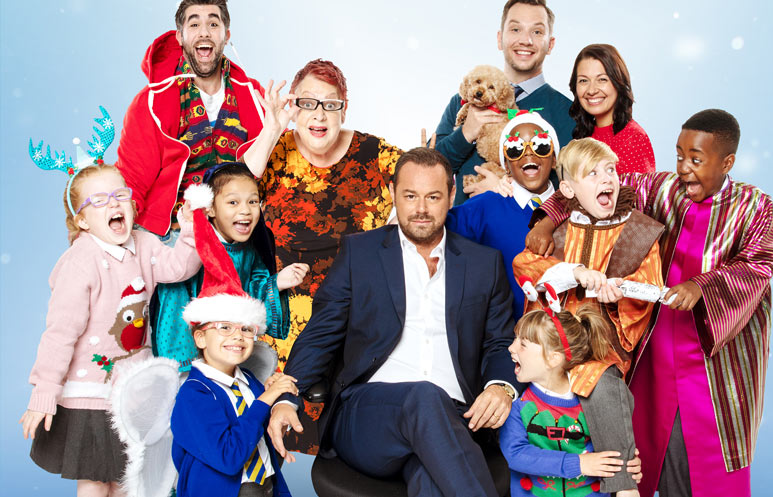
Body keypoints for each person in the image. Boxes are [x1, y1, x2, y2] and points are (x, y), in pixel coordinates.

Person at [526, 109, 773, 497]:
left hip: (717, 357)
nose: (684, 169)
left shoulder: (753, 206)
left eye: (696, 160)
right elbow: (591, 182)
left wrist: (701, 286)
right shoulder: (662, 190)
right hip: (656, 345)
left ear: (727, 162)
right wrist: (546, 219)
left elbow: (760, 263)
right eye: (679, 156)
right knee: (656, 450)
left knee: (707, 459)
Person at [267, 148, 519, 496]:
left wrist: (500, 387)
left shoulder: (483, 264)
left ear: (451, 194)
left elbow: (499, 343)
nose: (420, 209)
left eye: (433, 197)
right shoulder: (361, 253)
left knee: (430, 477)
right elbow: (320, 336)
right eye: (410, 196)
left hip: (457, 418)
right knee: (424, 397)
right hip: (368, 415)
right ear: (392, 194)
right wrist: (286, 398)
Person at [20, 161, 201, 496]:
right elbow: (60, 333)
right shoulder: (80, 261)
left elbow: (179, 268)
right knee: (94, 480)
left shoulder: (143, 244)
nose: (114, 204)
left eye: (120, 195)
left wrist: (188, 231)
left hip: (132, 391)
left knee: (126, 478)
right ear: (82, 221)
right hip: (90, 395)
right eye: (100, 200)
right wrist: (44, 390)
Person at [512, 137, 664, 495]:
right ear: (567, 189)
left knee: (605, 385)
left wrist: (620, 293)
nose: (605, 179)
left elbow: (650, 284)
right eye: (592, 173)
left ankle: (625, 489)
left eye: (610, 170)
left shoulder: (640, 232)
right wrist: (575, 272)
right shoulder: (555, 231)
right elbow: (525, 265)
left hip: (600, 345)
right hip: (552, 343)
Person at [242, 59, 401, 367]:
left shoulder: (374, 154)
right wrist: (272, 129)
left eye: (330, 104)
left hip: (356, 319)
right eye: (307, 102)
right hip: (281, 322)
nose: (318, 113)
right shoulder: (275, 150)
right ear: (293, 106)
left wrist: (392, 239)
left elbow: (427, 184)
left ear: (344, 109)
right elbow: (228, 197)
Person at [116, 0, 267, 238]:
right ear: (179, 36)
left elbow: (279, 162)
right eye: (194, 25)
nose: (204, 32)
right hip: (172, 235)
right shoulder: (151, 102)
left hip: (241, 233)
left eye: (213, 24)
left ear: (226, 35)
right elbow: (132, 178)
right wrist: (113, 230)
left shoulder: (255, 96)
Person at [171, 201, 294, 497]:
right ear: (200, 338)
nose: (237, 336)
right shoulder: (194, 395)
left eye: (245, 328)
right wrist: (267, 399)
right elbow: (229, 457)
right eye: (224, 327)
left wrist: (278, 405)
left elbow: (256, 431)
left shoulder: (249, 382)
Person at [153, 162, 309, 372]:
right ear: (211, 208)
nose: (245, 210)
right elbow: (172, 310)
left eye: (253, 201)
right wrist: (181, 367)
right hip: (191, 358)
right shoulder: (189, 249)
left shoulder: (249, 251)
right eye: (233, 202)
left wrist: (277, 283)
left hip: (228, 352)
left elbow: (247, 294)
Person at [434, 0, 574, 205]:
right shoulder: (464, 100)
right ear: (500, 39)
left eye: (537, 32)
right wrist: (466, 133)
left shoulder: (568, 113)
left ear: (551, 44)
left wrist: (507, 191)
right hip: (459, 233)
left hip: (524, 236)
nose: (525, 40)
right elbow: (430, 170)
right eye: (515, 29)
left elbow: (571, 193)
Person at [501, 305, 636, 497]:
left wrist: (623, 461)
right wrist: (579, 463)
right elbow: (516, 455)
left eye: (523, 344)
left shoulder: (592, 402)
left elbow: (612, 445)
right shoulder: (518, 406)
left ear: (553, 359)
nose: (511, 348)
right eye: (515, 339)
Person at [446, 110, 559, 318]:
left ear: (553, 160)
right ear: (506, 165)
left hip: (566, 339)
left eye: (540, 146)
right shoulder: (484, 207)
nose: (528, 154)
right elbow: (432, 229)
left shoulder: (574, 207)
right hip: (506, 339)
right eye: (516, 149)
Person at [569, 44, 655, 174]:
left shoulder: (633, 138)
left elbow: (640, 193)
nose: (591, 90)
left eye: (602, 79)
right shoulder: (582, 134)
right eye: (583, 81)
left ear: (618, 82)